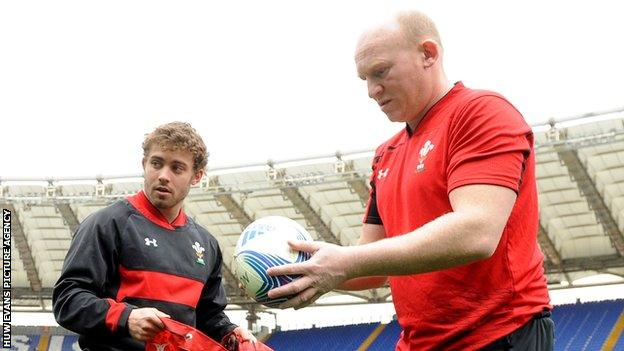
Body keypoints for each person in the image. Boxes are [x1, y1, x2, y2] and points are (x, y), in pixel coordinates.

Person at [267, 11, 553, 351]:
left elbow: (477, 232)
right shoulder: (385, 154)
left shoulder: (481, 113)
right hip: (418, 343)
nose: (372, 91)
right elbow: (370, 265)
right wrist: (304, 269)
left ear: (428, 54)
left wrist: (344, 262)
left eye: (381, 71)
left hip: (497, 335)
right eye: (365, 79)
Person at [53, 122, 255, 351]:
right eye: (156, 163)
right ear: (144, 164)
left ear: (196, 176)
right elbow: (67, 299)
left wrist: (229, 333)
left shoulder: (206, 244)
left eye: (177, 168)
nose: (163, 176)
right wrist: (126, 318)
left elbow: (208, 314)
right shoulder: (107, 224)